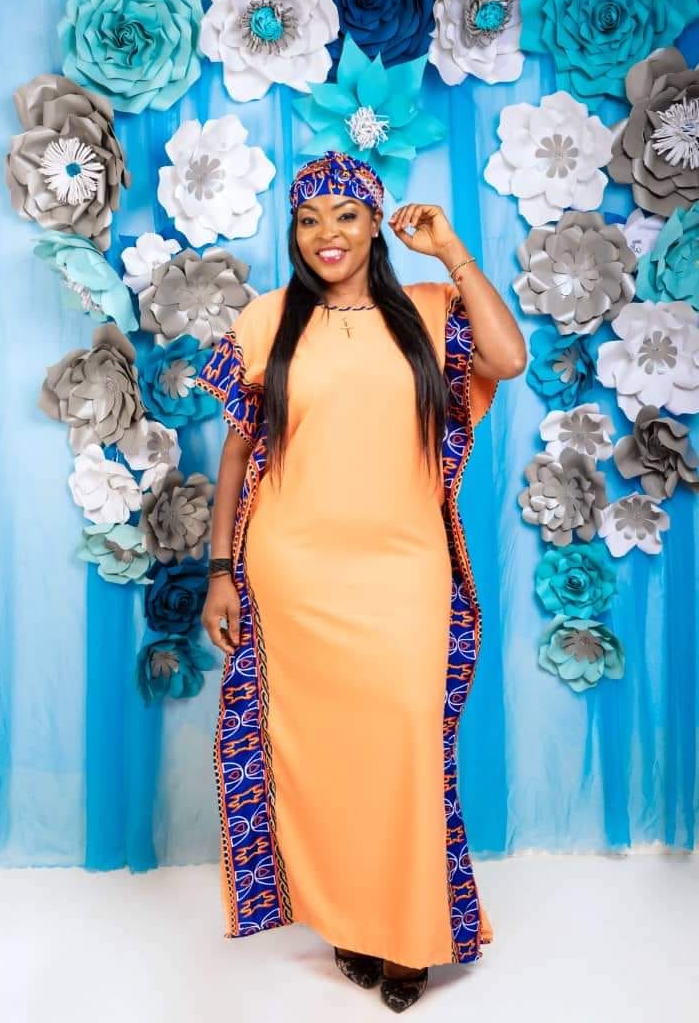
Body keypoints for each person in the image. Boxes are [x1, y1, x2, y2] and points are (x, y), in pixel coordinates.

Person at [197, 150, 526, 1012]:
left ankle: (409, 933)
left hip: (404, 570)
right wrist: (221, 570)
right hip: (293, 573)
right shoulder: (267, 321)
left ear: (377, 224)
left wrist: (449, 249)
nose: (327, 235)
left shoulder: (430, 310)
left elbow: (509, 357)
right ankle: (350, 919)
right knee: (323, 759)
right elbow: (237, 453)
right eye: (309, 220)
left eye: (346, 214)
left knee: (405, 752)